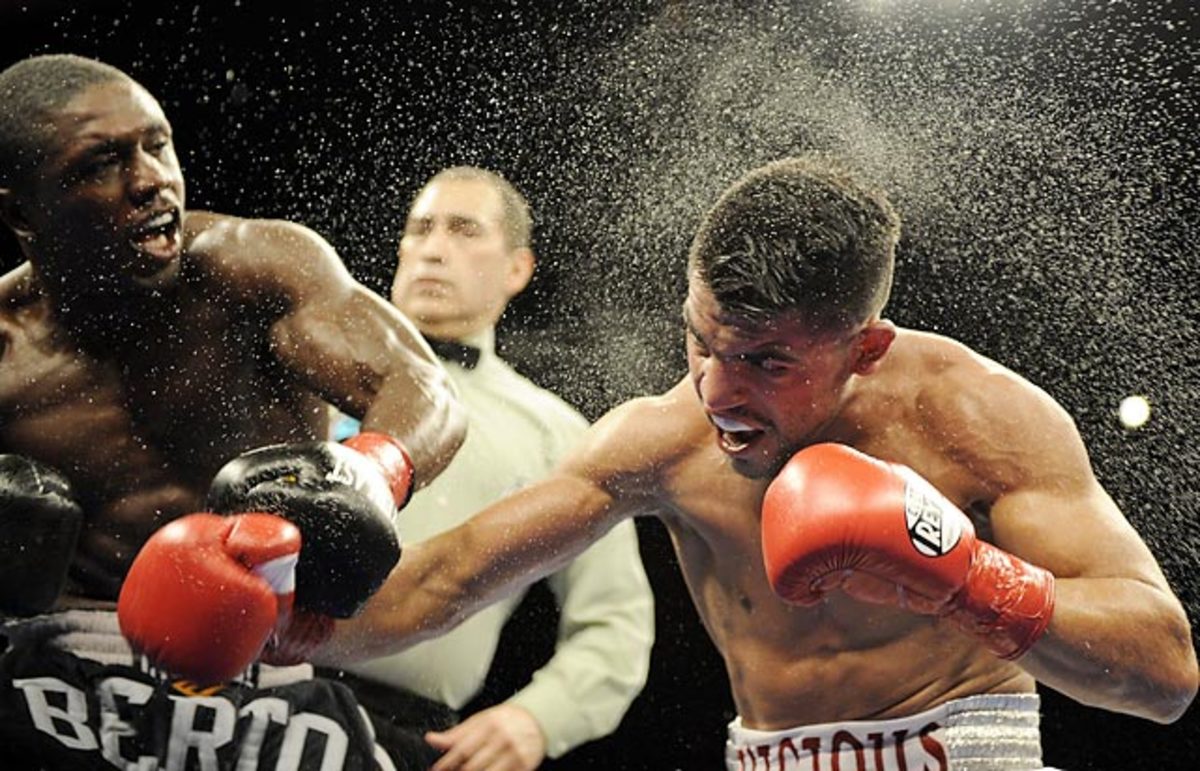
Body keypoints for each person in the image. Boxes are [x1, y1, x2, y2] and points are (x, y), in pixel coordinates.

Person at [316, 155, 1200, 770]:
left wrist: (965, 576)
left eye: (767, 362)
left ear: (866, 349)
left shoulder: (980, 420)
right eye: (702, 342)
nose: (719, 390)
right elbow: (448, 577)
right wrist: (276, 618)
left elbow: (1164, 674)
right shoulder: (661, 436)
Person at [0, 53, 465, 770]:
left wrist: (369, 472)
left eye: (157, 143)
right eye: (101, 163)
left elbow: (421, 387)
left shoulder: (252, 269)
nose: (152, 178)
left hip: (267, 667)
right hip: (64, 672)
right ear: (18, 209)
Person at [322, 166, 654, 770]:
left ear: (517, 269)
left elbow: (617, 619)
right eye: (420, 228)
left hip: (405, 733)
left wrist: (539, 717)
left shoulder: (557, 434)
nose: (434, 249)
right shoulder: (312, 371)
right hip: (242, 687)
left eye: (463, 229)